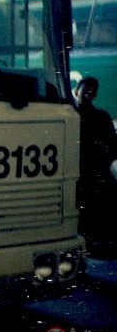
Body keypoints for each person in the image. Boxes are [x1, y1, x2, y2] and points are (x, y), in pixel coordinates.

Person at [73, 76, 117, 252]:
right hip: (89, 172)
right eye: (85, 92)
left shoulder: (97, 117)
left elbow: (113, 146)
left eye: (91, 93)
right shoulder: (101, 117)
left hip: (90, 171)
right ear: (77, 92)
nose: (87, 96)